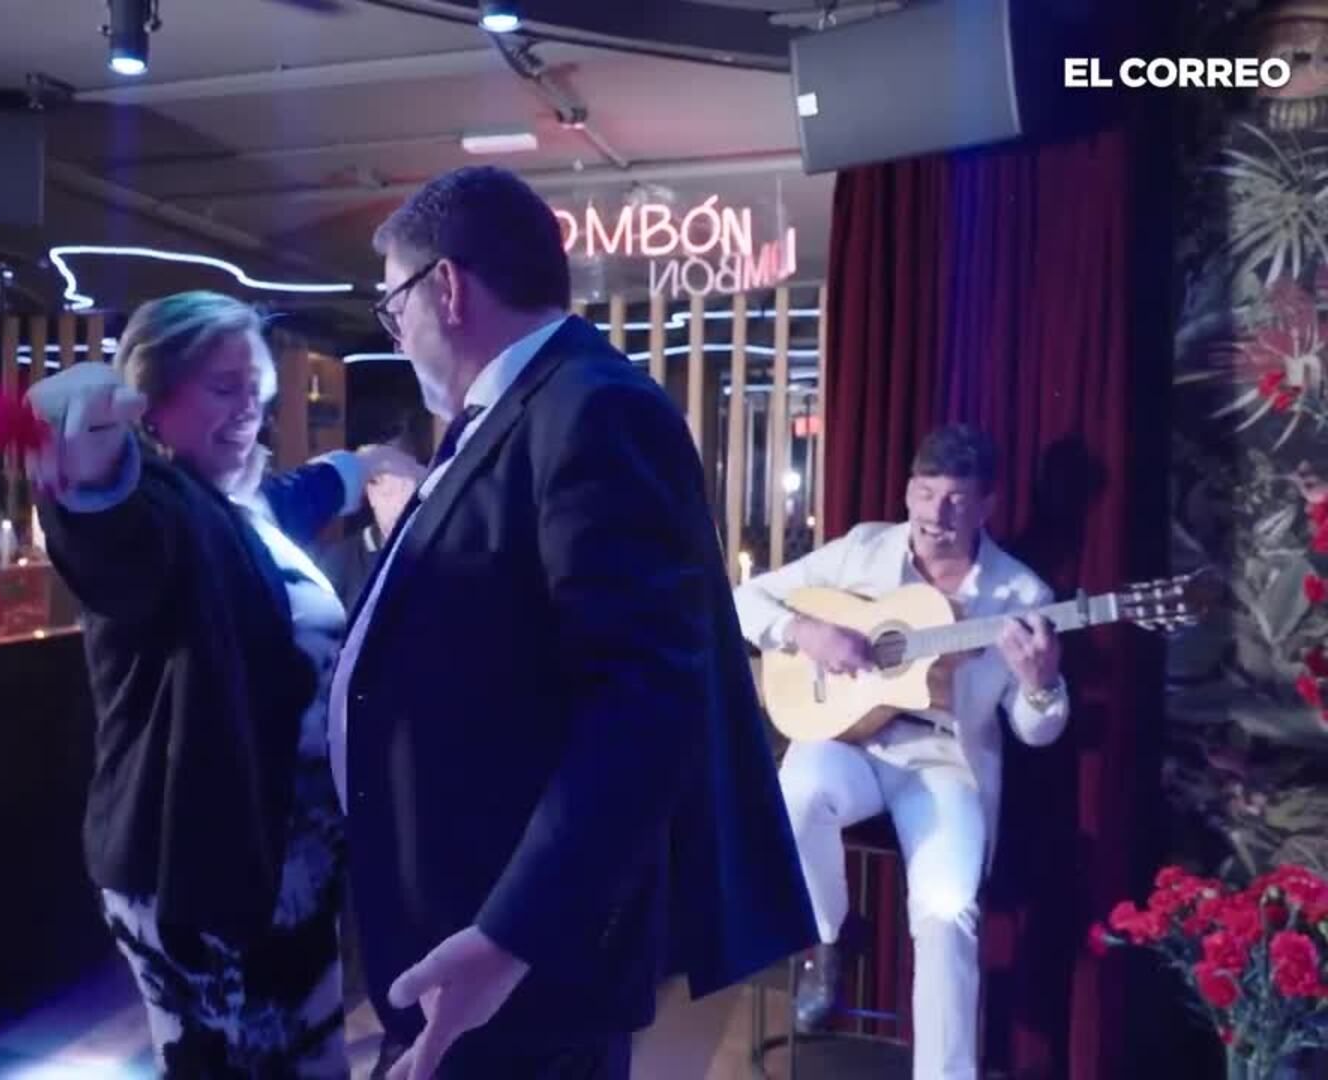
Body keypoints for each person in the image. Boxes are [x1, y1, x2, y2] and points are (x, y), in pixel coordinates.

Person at [331, 165, 815, 1080]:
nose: (395, 336)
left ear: (446, 287)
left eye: (394, 308)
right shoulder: (512, 410)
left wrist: (509, 937)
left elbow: (643, 704)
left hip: (514, 956)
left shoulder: (592, 407)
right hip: (464, 927)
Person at [22, 291, 421, 1076]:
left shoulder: (240, 509)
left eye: (256, 391)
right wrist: (87, 473)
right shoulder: (166, 510)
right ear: (153, 399)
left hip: (283, 868)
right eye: (222, 387)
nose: (248, 411)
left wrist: (366, 466)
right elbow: (115, 538)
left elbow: (297, 496)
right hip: (206, 872)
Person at [731, 424, 1069, 1080]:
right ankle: (831, 939)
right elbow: (744, 598)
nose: (935, 514)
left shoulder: (1021, 596)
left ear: (987, 505)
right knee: (793, 795)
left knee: (948, 910)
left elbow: (1037, 731)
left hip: (944, 760)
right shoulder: (864, 549)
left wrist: (1041, 684)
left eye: (956, 500)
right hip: (851, 741)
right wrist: (804, 631)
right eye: (924, 493)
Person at [314, 405, 430, 610]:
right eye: (386, 483)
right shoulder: (338, 564)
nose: (401, 501)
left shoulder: (444, 553)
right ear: (368, 489)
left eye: (410, 483)